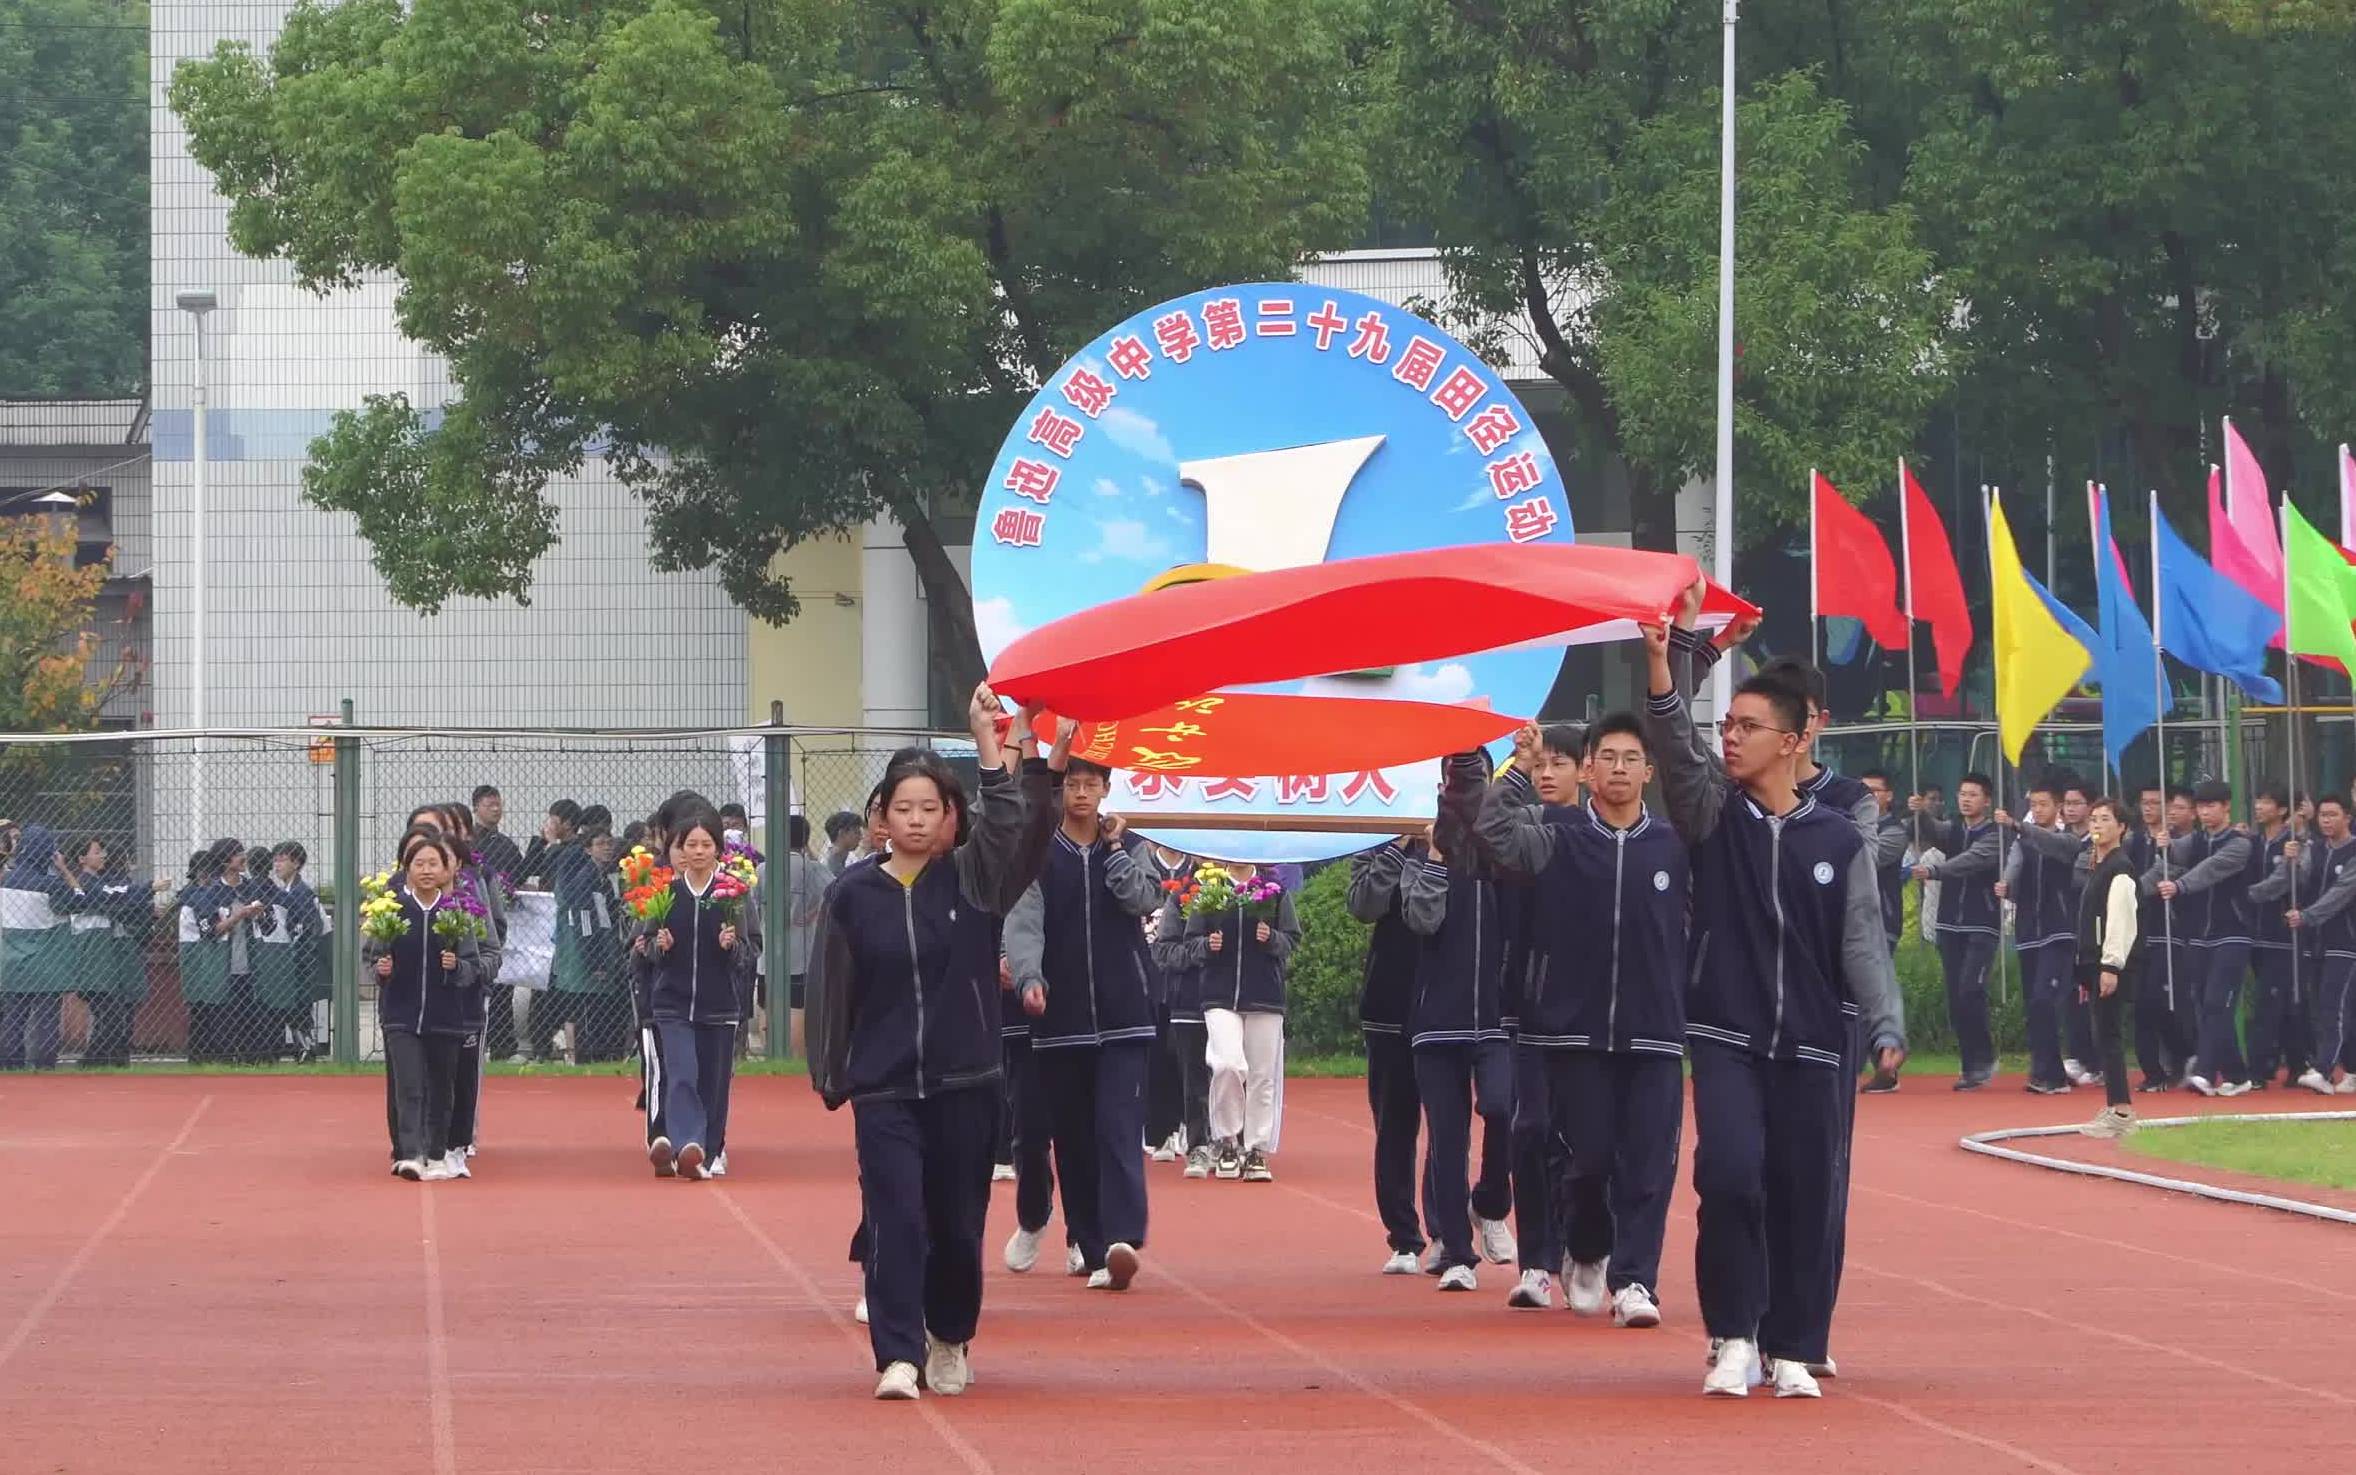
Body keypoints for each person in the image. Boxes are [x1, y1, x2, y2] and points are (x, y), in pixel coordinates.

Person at [1638, 590, 1904, 1401]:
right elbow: (1677, 750)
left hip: (1817, 1041)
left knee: (1803, 1188)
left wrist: (1887, 1020)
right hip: (1725, 1032)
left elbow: (1860, 936)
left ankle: (1792, 1344)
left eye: (1747, 727)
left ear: (1793, 740)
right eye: (1728, 725)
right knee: (1731, 1173)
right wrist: (1664, 662)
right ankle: (1731, 1336)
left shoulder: (1836, 834)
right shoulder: (1716, 817)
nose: (1730, 738)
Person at [808, 684, 1063, 1401]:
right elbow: (833, 988)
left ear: (952, 817)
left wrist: (990, 744)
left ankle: (949, 1336)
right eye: (903, 808)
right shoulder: (853, 895)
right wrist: (836, 1073)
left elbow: (1012, 825)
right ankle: (897, 1353)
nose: (916, 819)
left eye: (931, 807)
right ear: (881, 818)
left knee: (955, 1224)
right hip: (885, 1086)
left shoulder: (975, 881)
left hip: (966, 1083)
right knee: (895, 1216)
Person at [1478, 713, 1683, 1326]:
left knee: (1648, 1163)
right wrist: (1518, 768)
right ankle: (1585, 1247)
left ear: (1649, 770)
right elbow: (1492, 832)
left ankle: (1637, 1281)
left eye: (1631, 758)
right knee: (1587, 1159)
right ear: (1589, 769)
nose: (1619, 768)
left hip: (1655, 1032)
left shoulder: (1673, 846)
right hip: (1574, 1029)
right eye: (1607, 758)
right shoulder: (1560, 835)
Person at [1004, 759, 1163, 1291]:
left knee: (1118, 1128)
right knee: (1071, 1138)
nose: (1079, 794)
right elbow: (1023, 922)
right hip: (1059, 1019)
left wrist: (1115, 850)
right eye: (1071, 784)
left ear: (1106, 790)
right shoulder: (1041, 854)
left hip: (1125, 1017)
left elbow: (1144, 898)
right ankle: (1093, 1248)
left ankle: (1123, 1238)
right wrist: (1029, 977)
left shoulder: (1131, 846)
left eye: (1090, 785)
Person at [1397, 752, 1518, 1292]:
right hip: (1437, 1019)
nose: (1467, 792)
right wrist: (1437, 860)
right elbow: (1419, 919)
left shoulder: (1506, 851)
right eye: (1458, 780)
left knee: (1501, 1107)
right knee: (1447, 1139)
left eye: (1476, 779)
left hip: (1496, 1017)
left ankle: (1489, 1201)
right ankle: (1457, 1254)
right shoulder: (1429, 852)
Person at [1495, 722, 1584, 1292]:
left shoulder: (1604, 833)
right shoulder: (1525, 828)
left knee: (1585, 1138)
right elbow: (1485, 827)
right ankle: (1535, 1261)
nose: (1547, 773)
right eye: (1541, 765)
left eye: (1559, 763)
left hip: (1596, 1010)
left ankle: (1584, 1247)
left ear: (1587, 770)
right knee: (1528, 1127)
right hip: (1529, 1005)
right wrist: (1515, 768)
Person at [635, 803, 763, 1181]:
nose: (697, 851)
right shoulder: (665, 894)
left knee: (714, 1081)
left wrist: (731, 946)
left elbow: (751, 949)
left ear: (718, 850)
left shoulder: (733, 895)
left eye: (706, 844)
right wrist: (661, 944)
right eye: (690, 844)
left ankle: (712, 1147)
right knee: (682, 1074)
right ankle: (687, 1145)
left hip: (720, 1005)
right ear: (678, 850)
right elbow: (645, 946)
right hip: (672, 1003)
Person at [1346, 830, 1441, 1274]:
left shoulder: (1461, 840)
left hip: (1445, 1005)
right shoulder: (1376, 843)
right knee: (1395, 1126)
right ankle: (1404, 1237)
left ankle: (1447, 1231)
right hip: (1389, 1005)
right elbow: (1363, 905)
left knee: (1447, 1128)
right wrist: (1396, 848)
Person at [371, 828, 489, 1181]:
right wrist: (382, 969)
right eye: (418, 863)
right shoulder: (392, 911)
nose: (426, 870)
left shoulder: (457, 914)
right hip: (401, 1016)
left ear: (448, 870)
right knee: (408, 1086)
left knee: (442, 1087)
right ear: (406, 868)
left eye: (433, 864)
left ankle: (437, 1154)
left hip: (446, 1018)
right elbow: (373, 959)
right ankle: (410, 1154)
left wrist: (458, 969)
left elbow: (474, 964)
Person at [1172, 857, 1300, 1182]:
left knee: (1261, 1075)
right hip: (1218, 994)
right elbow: (1190, 940)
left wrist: (1271, 938)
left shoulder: (1273, 892)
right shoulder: (1211, 889)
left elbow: (1292, 938)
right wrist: (1206, 945)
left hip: (1265, 996)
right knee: (1227, 1065)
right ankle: (1227, 1141)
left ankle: (1255, 1149)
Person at [2143, 779, 2255, 1096]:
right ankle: (2237, 1074)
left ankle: (2205, 1072)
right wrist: (2163, 844)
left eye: (2211, 806)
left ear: (2226, 807)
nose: (2205, 813)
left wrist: (2179, 886)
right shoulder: (2195, 840)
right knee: (2207, 1006)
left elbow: (2210, 870)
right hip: (2198, 935)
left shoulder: (2239, 843)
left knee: (2217, 1002)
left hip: (2232, 934)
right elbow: (2173, 858)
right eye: (2201, 807)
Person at [1910, 775, 2000, 1089]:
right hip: (1949, 925)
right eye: (1962, 794)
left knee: (1970, 992)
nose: (1966, 800)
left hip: (1981, 924)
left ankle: (1983, 1060)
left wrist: (1934, 871)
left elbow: (1970, 862)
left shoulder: (1995, 834)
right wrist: (1920, 812)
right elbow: (1934, 833)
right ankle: (1969, 1065)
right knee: (1955, 998)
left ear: (1986, 801)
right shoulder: (1954, 829)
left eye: (1973, 795)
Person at [1996, 776, 2084, 1094]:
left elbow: (2053, 847)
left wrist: (2019, 826)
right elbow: (2014, 870)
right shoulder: (2023, 842)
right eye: (2034, 804)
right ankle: (2045, 1070)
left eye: (2043, 804)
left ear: (2058, 808)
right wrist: (2006, 885)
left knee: (2045, 1001)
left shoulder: (2069, 841)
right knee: (2034, 1007)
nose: (2038, 809)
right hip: (2028, 932)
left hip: (2057, 932)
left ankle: (2054, 1075)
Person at [1147, 846, 1215, 1180]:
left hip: (1225, 996)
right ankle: (1168, 1132)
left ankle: (1222, 1138)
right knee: (1170, 1062)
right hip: (1173, 989)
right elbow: (1164, 948)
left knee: (1223, 1068)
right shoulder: (1179, 892)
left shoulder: (1243, 891)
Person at [2075, 798, 2141, 1138]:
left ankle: (2122, 1111)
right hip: (2093, 963)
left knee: (2110, 1035)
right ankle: (2115, 1105)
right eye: (2094, 819)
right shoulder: (2095, 867)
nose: (2097, 825)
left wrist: (2110, 966)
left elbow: (2119, 923)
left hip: (2110, 965)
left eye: (2105, 819)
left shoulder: (2120, 870)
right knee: (2103, 1035)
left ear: (2122, 828)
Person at [70, 838, 165, 1067]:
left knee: (112, 1015)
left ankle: (100, 1063)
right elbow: (113, 898)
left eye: (103, 851)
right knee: (112, 1015)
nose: (103, 855)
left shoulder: (97, 882)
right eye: (97, 852)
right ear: (82, 859)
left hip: (103, 957)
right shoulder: (84, 882)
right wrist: (149, 889)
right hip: (91, 956)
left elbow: (119, 901)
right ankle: (90, 1063)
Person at [1, 825, 89, 1069]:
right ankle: (44, 1066)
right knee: (46, 1017)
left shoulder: (7, 880)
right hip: (45, 964)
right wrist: (64, 870)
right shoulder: (50, 884)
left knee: (13, 1017)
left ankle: (11, 1066)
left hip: (11, 960)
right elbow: (81, 901)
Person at [2284, 794, 2356, 1093]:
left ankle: (2324, 1070)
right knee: (2337, 1008)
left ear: (2347, 819)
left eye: (2333, 814)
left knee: (2332, 1007)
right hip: (2318, 943)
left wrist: (2308, 916)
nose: (2326, 820)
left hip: (2346, 942)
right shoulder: (2316, 850)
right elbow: (2302, 883)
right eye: (2323, 815)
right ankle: (2352, 1071)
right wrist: (2293, 862)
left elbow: (2340, 895)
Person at [2243, 785, 2313, 1088]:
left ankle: (2256, 1071)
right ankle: (2298, 1063)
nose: (2259, 805)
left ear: (2283, 810)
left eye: (2266, 800)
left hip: (2284, 938)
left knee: (2270, 1003)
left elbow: (2294, 882)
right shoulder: (2253, 842)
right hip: (2254, 936)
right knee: (2281, 1004)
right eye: (2258, 799)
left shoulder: (2295, 844)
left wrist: (2245, 896)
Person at [253, 842, 328, 1063]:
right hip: (290, 962)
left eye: (282, 860)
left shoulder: (301, 892)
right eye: (275, 860)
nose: (277, 865)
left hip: (302, 961)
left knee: (299, 1007)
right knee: (288, 1007)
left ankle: (307, 1049)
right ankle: (301, 1048)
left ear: (296, 863)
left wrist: (298, 953)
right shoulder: (285, 891)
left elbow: (308, 928)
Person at [472, 785, 524, 884]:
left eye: (498, 805)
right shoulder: (469, 841)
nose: (495, 809)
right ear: (475, 808)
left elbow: (521, 873)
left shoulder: (507, 843)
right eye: (490, 805)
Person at [824, 811, 862, 876]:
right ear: (842, 833)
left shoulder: (836, 861)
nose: (861, 837)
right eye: (856, 832)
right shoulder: (833, 868)